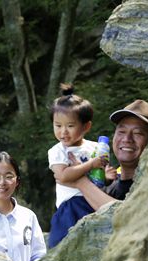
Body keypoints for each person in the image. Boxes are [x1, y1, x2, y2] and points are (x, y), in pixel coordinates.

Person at [63, 99, 148, 211]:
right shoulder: (110, 187)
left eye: (137, 133)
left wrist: (81, 182)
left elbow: (127, 216)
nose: (127, 139)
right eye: (121, 132)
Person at [47, 84, 108, 248]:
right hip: (70, 207)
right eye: (58, 126)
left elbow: (98, 176)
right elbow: (63, 175)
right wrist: (91, 164)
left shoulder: (95, 148)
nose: (63, 132)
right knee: (63, 247)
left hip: (94, 201)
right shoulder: (57, 151)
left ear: (86, 126)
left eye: (70, 126)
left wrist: (107, 176)